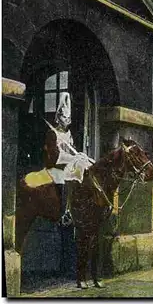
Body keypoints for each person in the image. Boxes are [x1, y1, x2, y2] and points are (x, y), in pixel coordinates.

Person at [44, 92, 92, 227]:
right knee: (69, 175)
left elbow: (72, 149)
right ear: (59, 118)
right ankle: (65, 211)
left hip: (67, 163)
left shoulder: (68, 133)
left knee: (84, 164)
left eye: (69, 117)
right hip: (56, 165)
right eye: (65, 117)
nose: (68, 120)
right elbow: (54, 156)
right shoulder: (52, 133)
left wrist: (79, 154)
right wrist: (73, 157)